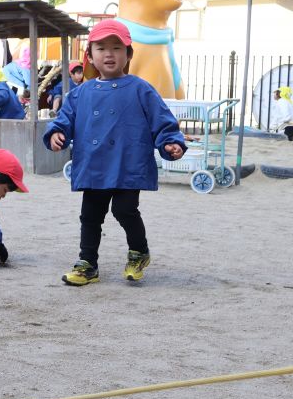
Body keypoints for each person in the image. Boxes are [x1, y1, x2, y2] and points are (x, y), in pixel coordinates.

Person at [43, 19, 186, 286]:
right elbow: (64, 120)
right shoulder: (80, 93)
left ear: (128, 54)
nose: (109, 54)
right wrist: (56, 134)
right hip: (94, 166)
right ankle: (88, 264)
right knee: (90, 216)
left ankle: (138, 252)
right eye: (101, 48)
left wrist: (170, 141)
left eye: (117, 48)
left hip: (128, 164)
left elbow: (163, 121)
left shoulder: (141, 89)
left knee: (125, 209)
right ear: (90, 56)